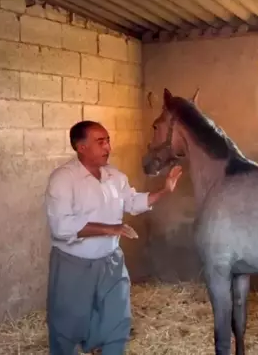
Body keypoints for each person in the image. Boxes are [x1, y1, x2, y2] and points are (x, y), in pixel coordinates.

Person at [44, 120, 182, 355]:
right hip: (73, 265)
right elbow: (61, 226)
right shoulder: (63, 179)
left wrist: (165, 190)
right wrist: (110, 229)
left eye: (108, 140)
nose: (108, 146)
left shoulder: (115, 176)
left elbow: (133, 202)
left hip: (111, 261)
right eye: (100, 141)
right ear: (81, 147)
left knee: (117, 320)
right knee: (68, 325)